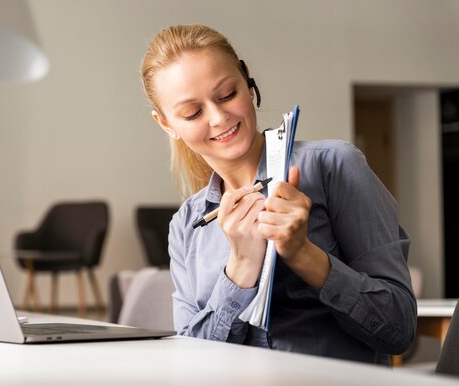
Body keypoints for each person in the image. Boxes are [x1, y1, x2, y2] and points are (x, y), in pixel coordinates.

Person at [140, 24, 416, 365]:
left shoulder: (334, 166)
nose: (218, 117)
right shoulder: (186, 225)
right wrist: (240, 268)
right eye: (192, 113)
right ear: (166, 124)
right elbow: (193, 360)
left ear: (246, 78)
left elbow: (399, 329)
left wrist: (303, 254)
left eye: (227, 94)